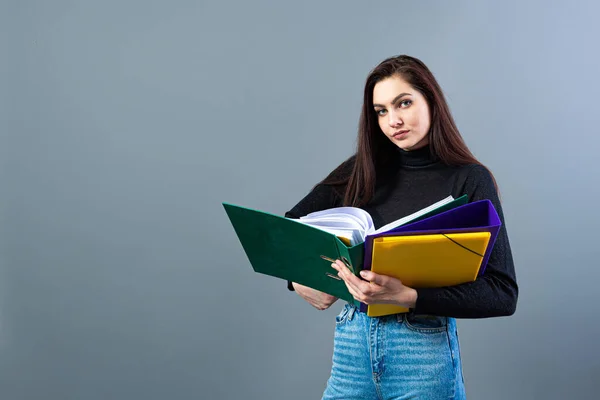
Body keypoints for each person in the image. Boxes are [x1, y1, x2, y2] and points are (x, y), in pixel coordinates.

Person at [284, 55, 518, 399]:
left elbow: (502, 293)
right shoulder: (360, 170)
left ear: (431, 101)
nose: (393, 120)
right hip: (352, 347)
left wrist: (409, 297)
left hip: (421, 353)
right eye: (381, 111)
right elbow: (285, 230)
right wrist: (297, 279)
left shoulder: (469, 179)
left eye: (403, 103)